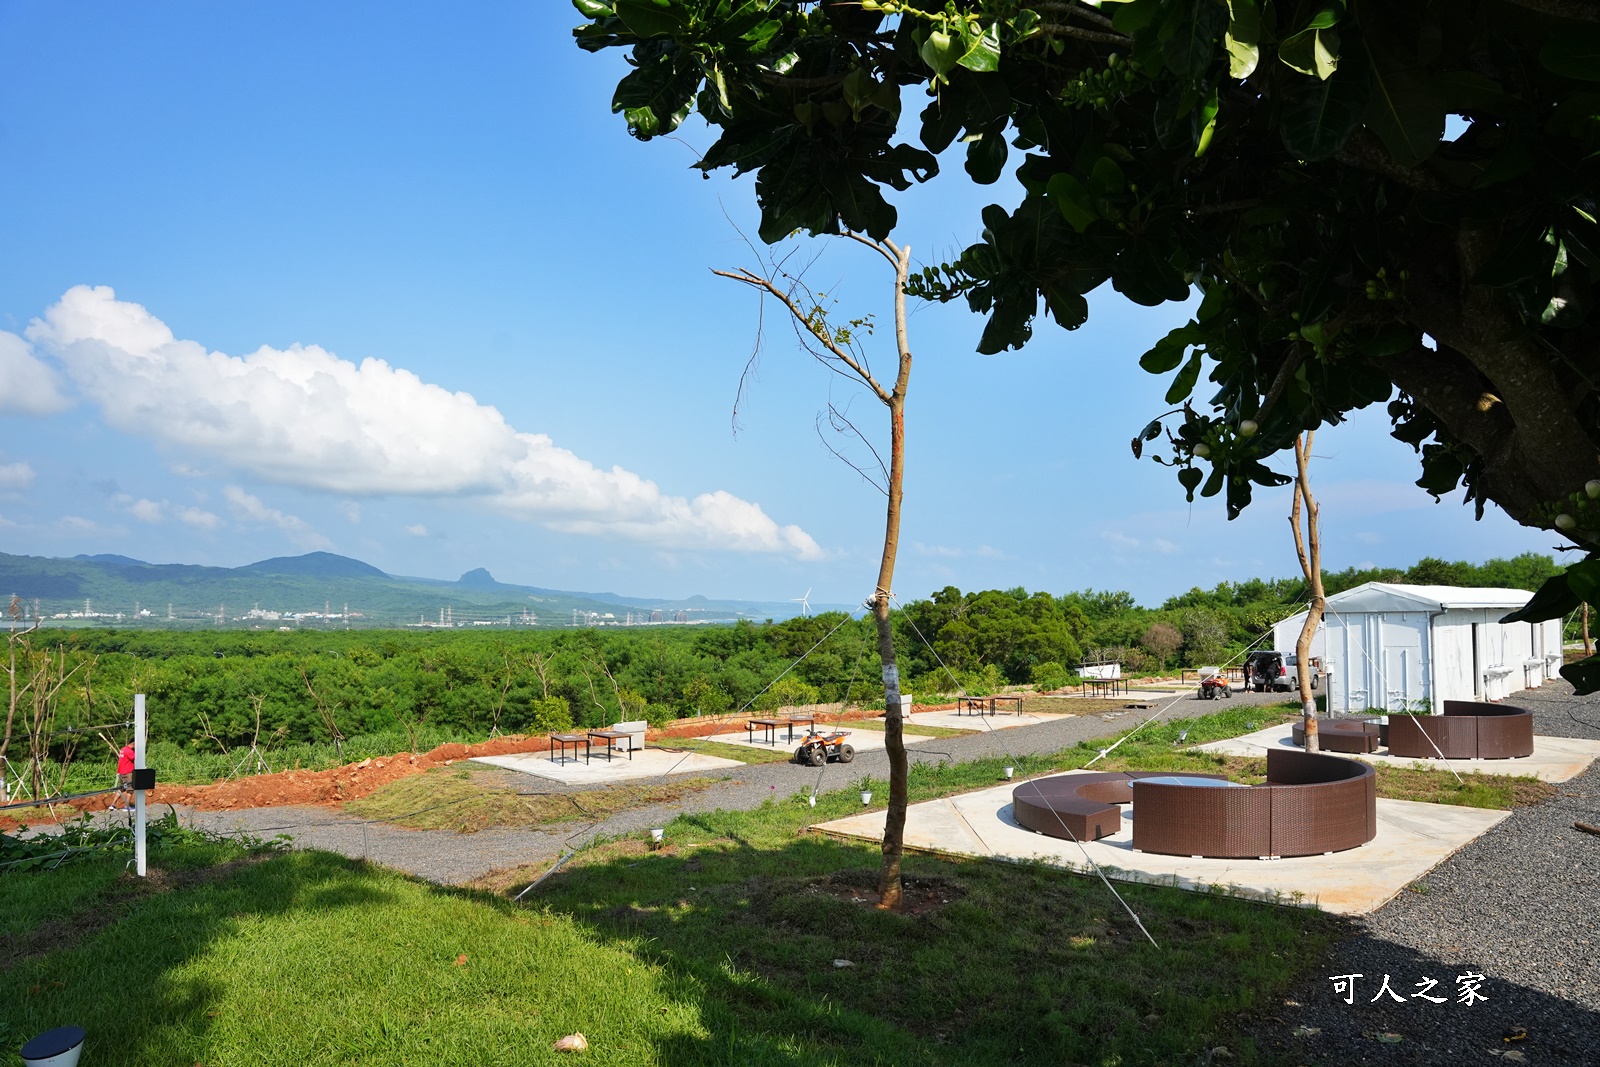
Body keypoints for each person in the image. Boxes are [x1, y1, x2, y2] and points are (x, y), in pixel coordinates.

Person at [111, 742, 136, 811]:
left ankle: (113, 804)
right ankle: (127, 806)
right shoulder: (129, 751)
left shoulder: (123, 749)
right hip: (127, 773)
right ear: (133, 743)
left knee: (122, 788)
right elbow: (134, 757)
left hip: (122, 772)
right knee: (130, 789)